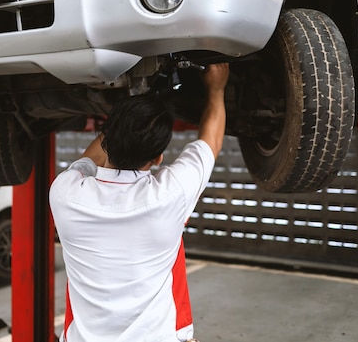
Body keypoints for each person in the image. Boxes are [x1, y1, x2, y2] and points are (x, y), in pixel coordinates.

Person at [49, 63, 230, 342]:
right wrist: (216, 89)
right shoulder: (169, 196)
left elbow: (88, 160)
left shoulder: (64, 194)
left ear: (108, 135)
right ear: (158, 158)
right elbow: (210, 141)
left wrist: (124, 120)